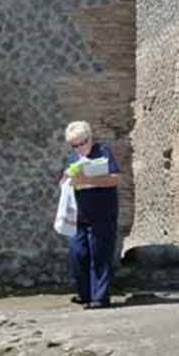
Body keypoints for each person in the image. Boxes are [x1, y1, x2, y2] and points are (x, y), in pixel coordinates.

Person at [64, 121, 121, 309]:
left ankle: (100, 297)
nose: (80, 147)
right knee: (77, 254)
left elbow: (115, 178)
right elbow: (64, 181)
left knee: (100, 255)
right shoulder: (73, 158)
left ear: (90, 138)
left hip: (102, 213)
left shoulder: (103, 152)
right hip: (79, 215)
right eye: (75, 145)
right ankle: (85, 294)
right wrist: (67, 180)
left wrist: (88, 179)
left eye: (83, 142)